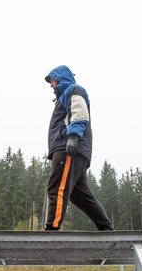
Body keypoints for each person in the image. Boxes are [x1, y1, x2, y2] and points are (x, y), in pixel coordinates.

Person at [44, 65, 114, 231]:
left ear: (60, 78)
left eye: (52, 80)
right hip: (72, 148)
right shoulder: (64, 97)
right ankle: (106, 228)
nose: (50, 84)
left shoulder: (74, 90)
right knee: (78, 194)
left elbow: (79, 112)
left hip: (68, 147)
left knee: (57, 187)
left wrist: (73, 137)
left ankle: (51, 230)